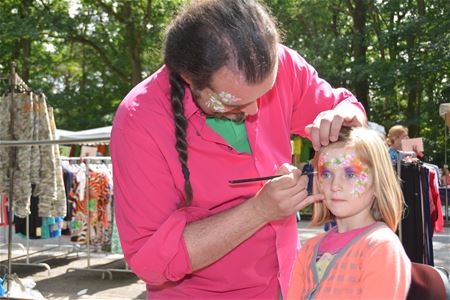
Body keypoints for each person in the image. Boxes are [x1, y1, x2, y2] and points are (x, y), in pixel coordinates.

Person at [110, 0, 366, 298]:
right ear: (188, 78)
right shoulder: (140, 120)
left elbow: (344, 107)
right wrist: (258, 211)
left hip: (286, 284)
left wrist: (347, 117)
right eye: (234, 102)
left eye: (266, 92)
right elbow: (149, 259)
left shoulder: (280, 66)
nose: (256, 109)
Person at [287, 127, 411, 299]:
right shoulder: (308, 249)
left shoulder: (380, 247)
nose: (335, 185)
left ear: (377, 182)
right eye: (327, 174)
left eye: (351, 174)